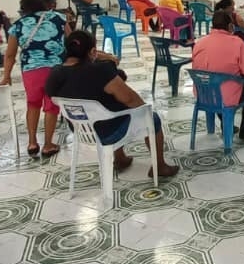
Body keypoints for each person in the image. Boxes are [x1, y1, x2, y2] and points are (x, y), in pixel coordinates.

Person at [44, 31, 180, 178]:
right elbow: (129, 99)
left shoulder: (54, 73)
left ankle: (120, 158)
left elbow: (53, 97)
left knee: (110, 107)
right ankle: (159, 166)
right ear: (93, 51)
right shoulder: (99, 71)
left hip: (80, 128)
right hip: (108, 130)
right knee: (151, 118)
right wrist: (144, 109)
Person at [1, 0, 69, 159]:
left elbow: (10, 54)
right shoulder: (59, 18)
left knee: (32, 104)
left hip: (31, 70)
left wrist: (6, 76)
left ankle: (32, 142)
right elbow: (71, 40)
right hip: (56, 69)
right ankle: (48, 145)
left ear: (23, 9)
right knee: (51, 106)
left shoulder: (18, 25)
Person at [191, 10, 244, 139]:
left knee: (218, 87)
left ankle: (226, 123)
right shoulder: (237, 43)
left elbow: (195, 66)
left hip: (203, 94)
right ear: (230, 26)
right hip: (226, 96)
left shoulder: (199, 43)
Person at [215, 0, 244, 64]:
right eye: (233, 5)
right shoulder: (235, 17)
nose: (234, 8)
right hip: (236, 39)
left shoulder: (216, 16)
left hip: (218, 39)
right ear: (230, 7)